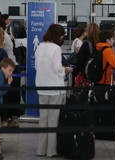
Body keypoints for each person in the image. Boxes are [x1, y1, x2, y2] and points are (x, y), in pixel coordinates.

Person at [35, 24, 72, 157]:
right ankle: (51, 151)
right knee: (53, 121)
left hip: (42, 87)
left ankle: (40, 150)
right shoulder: (56, 48)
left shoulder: (40, 46)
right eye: (62, 35)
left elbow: (37, 66)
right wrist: (65, 70)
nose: (62, 38)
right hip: (55, 88)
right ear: (58, 35)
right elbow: (57, 68)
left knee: (43, 120)